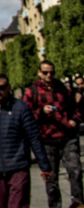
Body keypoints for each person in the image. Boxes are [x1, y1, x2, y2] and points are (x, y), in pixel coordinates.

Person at [0, 73, 51, 208]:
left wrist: (44, 166)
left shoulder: (21, 108)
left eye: (1, 87)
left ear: (9, 87)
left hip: (18, 168)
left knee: (17, 205)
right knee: (3, 205)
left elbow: (34, 137)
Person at [24, 60, 83, 208]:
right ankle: (55, 205)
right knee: (51, 178)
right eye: (45, 72)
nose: (49, 75)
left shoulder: (63, 89)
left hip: (67, 136)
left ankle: (78, 203)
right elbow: (25, 115)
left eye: (52, 72)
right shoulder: (32, 91)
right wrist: (41, 112)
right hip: (46, 139)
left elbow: (76, 109)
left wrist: (74, 120)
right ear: (39, 73)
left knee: (75, 171)